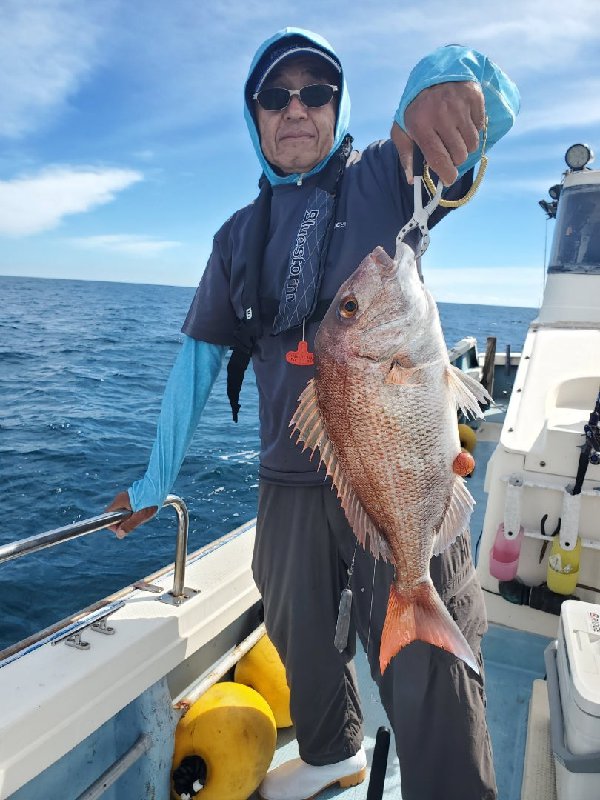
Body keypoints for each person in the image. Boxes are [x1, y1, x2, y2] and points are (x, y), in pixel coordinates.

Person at [107, 27, 520, 800]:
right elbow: (197, 362)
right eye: (276, 96)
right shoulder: (236, 237)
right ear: (254, 116)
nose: (296, 109)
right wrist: (155, 478)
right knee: (297, 631)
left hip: (392, 468)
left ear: (338, 106)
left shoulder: (384, 178)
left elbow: (477, 120)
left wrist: (450, 80)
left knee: (430, 663)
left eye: (316, 92)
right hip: (288, 480)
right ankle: (333, 754)